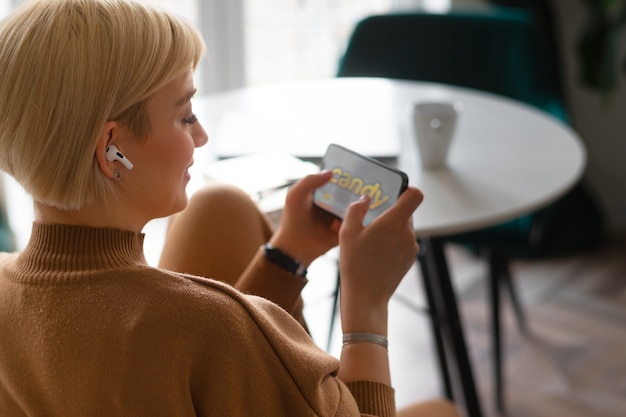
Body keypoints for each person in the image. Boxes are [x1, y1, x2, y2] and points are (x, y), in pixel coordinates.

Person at [0, 0, 459, 416]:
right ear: (112, 150)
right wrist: (366, 308)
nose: (201, 136)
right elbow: (220, 340)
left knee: (220, 205)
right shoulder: (207, 326)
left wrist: (288, 254)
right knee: (439, 410)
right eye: (185, 116)